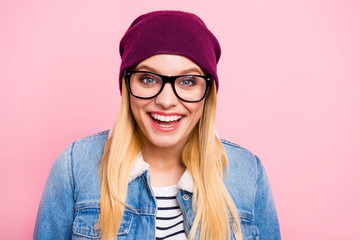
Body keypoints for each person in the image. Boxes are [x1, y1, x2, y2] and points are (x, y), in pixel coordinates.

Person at [34, 10, 281, 240]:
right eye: (148, 79)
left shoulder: (249, 174)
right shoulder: (74, 168)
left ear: (208, 93)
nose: (165, 101)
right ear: (126, 86)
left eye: (187, 81)